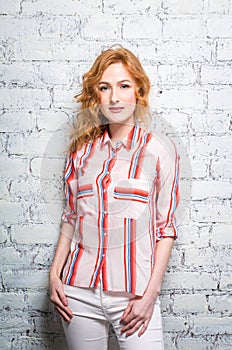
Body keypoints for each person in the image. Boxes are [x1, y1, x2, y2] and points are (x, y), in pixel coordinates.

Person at [49, 46, 180, 350]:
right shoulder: (80, 152)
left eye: (124, 86)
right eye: (104, 88)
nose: (114, 97)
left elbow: (166, 228)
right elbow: (71, 217)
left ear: (139, 91)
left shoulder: (159, 151)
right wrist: (55, 275)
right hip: (77, 291)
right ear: (95, 95)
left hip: (134, 296)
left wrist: (150, 296)